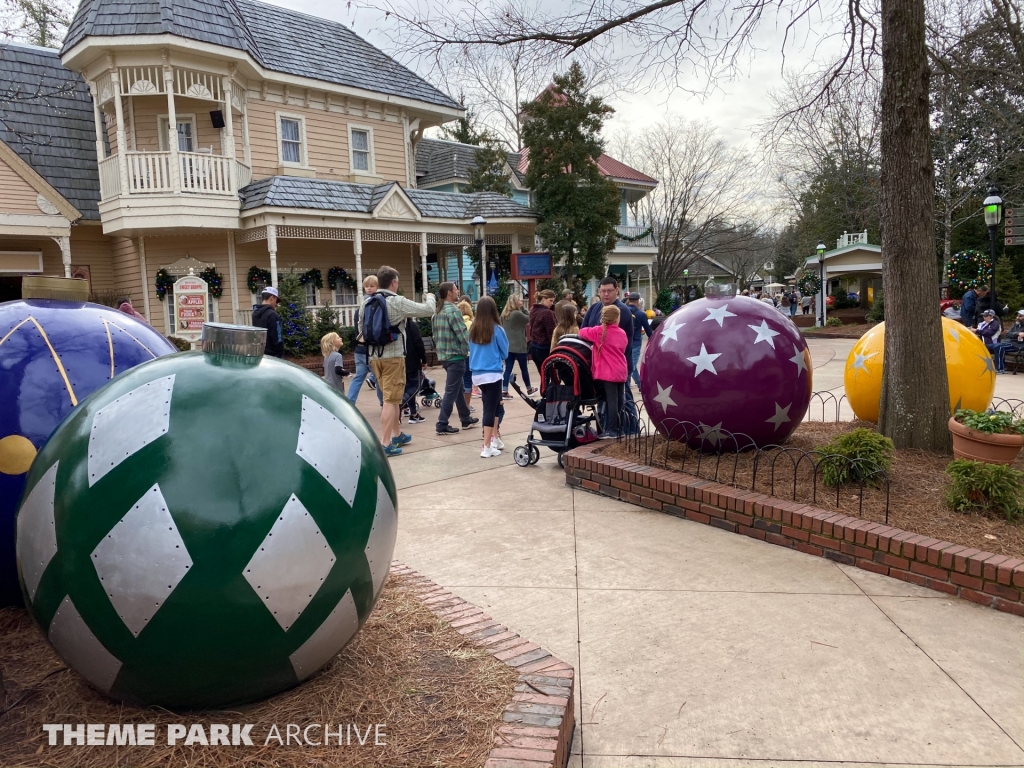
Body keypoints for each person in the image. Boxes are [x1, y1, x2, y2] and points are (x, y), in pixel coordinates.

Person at [364, 266, 435, 457]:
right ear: (394, 282)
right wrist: (429, 296)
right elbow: (428, 310)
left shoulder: (367, 303)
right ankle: (385, 443)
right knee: (389, 400)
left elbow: (361, 331)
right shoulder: (396, 301)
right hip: (393, 358)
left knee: (393, 397)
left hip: (374, 357)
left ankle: (397, 435)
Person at [431, 282, 478, 436]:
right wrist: (472, 351)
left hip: (444, 356)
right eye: (456, 289)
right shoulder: (453, 311)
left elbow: (435, 336)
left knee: (458, 388)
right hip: (456, 356)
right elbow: (463, 335)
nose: (458, 291)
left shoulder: (437, 312)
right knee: (451, 391)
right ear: (449, 293)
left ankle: (465, 418)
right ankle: (442, 423)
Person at [579, 304, 629, 437]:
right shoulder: (622, 332)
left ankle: (612, 429)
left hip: (608, 373)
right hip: (621, 370)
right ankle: (620, 429)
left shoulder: (599, 331)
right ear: (617, 318)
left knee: (612, 401)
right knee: (620, 401)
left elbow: (582, 332)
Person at [469, 296, 508, 458]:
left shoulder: (473, 329)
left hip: (477, 374)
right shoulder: (497, 329)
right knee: (490, 409)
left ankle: (495, 439)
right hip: (493, 373)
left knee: (494, 404)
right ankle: (486, 446)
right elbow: (505, 352)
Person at [347, 275, 378, 402]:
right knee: (379, 379)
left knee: (358, 377)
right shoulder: (374, 307)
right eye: (366, 286)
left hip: (359, 349)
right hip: (370, 350)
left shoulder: (359, 309)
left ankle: (350, 402)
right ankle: (384, 405)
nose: (369, 288)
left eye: (372, 286)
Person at [501, 294, 535, 397]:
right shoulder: (517, 313)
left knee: (508, 368)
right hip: (519, 345)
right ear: (515, 302)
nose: (521, 301)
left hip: (508, 346)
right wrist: (523, 308)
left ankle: (504, 390)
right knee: (524, 369)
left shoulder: (504, 314)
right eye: (519, 300)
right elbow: (529, 318)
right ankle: (529, 389)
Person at [624, 292, 652, 390]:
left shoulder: (624, 311)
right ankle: (628, 386)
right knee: (631, 366)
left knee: (630, 365)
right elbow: (648, 330)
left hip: (624, 342)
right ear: (638, 301)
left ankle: (640, 384)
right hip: (635, 342)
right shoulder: (641, 314)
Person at [402, 318, 427, 423]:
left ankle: (413, 413)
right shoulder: (410, 325)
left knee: (406, 386)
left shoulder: (393, 324)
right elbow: (418, 343)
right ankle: (402, 402)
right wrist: (424, 359)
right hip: (412, 360)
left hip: (399, 361)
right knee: (416, 386)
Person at [527, 289, 557, 374]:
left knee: (543, 375)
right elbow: (552, 333)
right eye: (550, 300)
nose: (552, 303)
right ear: (543, 299)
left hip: (534, 346)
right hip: (544, 348)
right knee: (550, 375)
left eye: (553, 301)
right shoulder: (547, 313)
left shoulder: (533, 309)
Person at [975, 309, 1013, 374]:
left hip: (992, 344)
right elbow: (979, 332)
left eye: (986, 316)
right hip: (982, 344)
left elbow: (989, 333)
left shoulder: (995, 324)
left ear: (991, 316)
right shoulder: (981, 324)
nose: (984, 317)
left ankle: (1000, 369)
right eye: (983, 316)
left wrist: (976, 331)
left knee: (998, 347)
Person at [251, 286, 284, 358]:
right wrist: (280, 354)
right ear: (272, 298)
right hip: (272, 356)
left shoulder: (255, 314)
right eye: (276, 301)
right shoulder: (273, 315)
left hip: (259, 354)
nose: (276, 304)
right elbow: (278, 338)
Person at [458, 299, 477, 408]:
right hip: (469, 355)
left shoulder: (457, 323)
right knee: (468, 379)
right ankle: (467, 405)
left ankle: (459, 403)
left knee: (458, 380)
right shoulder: (472, 324)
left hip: (458, 355)